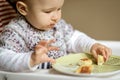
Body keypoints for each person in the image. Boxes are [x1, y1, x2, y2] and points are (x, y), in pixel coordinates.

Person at [0, 0, 112, 72]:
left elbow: (74, 38)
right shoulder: (16, 32)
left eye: (59, 9)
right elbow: (3, 58)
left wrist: (92, 45)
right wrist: (31, 59)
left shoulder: (58, 25)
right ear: (23, 9)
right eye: (48, 12)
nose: (56, 16)